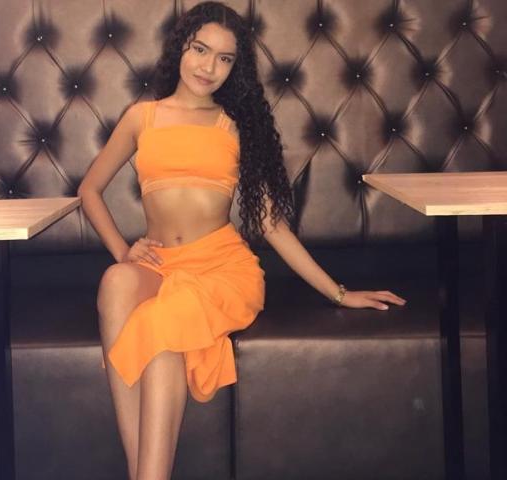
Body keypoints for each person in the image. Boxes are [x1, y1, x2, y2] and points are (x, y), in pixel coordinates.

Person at [78, 2, 407, 479]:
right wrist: (123, 250)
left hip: (220, 269)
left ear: (236, 68)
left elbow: (272, 225)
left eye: (225, 58)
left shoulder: (234, 125)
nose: (208, 66)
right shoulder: (141, 117)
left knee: (160, 325)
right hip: (160, 264)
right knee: (115, 281)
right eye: (200, 50)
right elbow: (89, 190)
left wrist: (339, 293)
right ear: (181, 48)